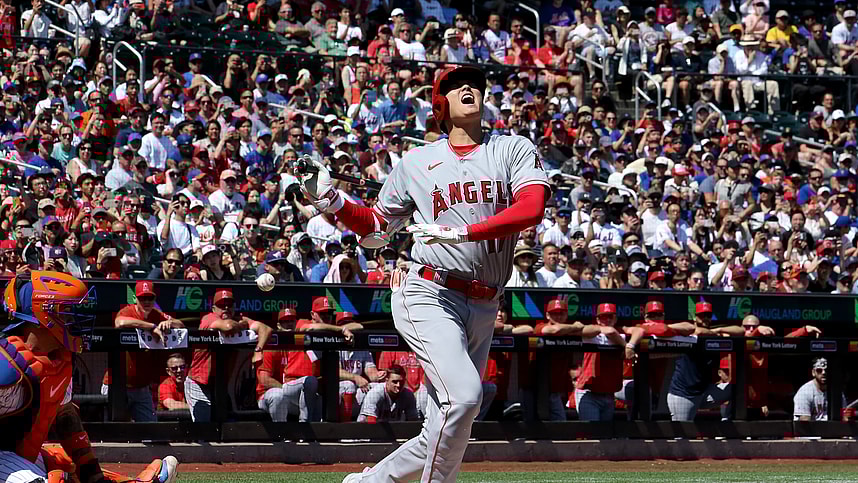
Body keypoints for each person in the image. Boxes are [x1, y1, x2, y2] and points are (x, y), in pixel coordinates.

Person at [301, 65, 549, 483]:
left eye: (473, 83)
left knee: (448, 424)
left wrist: (464, 231)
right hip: (430, 290)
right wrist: (330, 200)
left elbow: (531, 208)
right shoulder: (417, 162)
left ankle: (367, 482)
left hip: (486, 300)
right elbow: (378, 225)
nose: (467, 88)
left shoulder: (512, 148)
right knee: (466, 397)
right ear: (440, 104)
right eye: (454, 86)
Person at [0, 272, 179, 483]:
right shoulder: (8, 365)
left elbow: (65, 415)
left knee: (68, 465)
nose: (73, 319)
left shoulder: (60, 359)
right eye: (66, 312)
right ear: (42, 314)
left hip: (23, 455)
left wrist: (91, 472)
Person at [186, 288, 272, 422]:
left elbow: (266, 329)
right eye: (221, 305)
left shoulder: (239, 319)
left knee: (225, 424)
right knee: (202, 427)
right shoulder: (208, 318)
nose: (226, 308)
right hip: (198, 382)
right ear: (214, 308)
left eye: (229, 304)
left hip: (219, 383)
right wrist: (243, 324)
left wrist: (258, 349)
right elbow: (228, 327)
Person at [104, 280, 185, 422]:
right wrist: (151, 327)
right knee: (117, 432)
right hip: (117, 384)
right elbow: (120, 322)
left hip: (141, 388)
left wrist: (169, 322)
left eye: (150, 298)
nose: (146, 301)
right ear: (136, 299)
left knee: (153, 432)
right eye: (142, 298)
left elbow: (181, 325)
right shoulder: (128, 311)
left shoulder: (156, 314)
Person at [667, 302, 744, 421]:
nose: (706, 318)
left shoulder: (714, 333)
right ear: (695, 317)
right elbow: (697, 331)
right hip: (684, 394)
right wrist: (715, 334)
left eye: (708, 315)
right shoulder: (688, 332)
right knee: (682, 435)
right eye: (702, 315)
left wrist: (719, 329)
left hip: (705, 392)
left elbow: (740, 331)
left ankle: (727, 421)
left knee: (737, 388)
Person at [575, 303, 644, 421]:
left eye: (610, 317)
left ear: (615, 318)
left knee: (606, 435)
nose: (607, 320)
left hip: (608, 394)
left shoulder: (621, 331)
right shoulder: (593, 331)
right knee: (593, 434)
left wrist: (630, 346)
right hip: (589, 393)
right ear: (597, 319)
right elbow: (609, 331)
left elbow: (639, 330)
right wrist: (625, 346)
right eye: (603, 317)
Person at [255, 308, 323, 422]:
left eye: (292, 320)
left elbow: (319, 326)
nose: (289, 324)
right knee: (278, 395)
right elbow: (264, 380)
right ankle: (281, 434)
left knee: (316, 396)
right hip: (267, 394)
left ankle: (311, 432)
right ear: (279, 325)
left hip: (289, 396)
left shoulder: (301, 344)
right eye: (285, 321)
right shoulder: (272, 345)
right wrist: (286, 390)